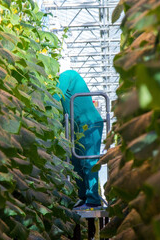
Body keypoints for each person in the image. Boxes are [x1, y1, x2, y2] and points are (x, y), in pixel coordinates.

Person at [53, 70, 103, 210]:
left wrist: (42, 104)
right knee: (76, 161)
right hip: (78, 126)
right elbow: (62, 111)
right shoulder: (66, 80)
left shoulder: (66, 75)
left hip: (90, 123)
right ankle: (83, 197)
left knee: (89, 160)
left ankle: (93, 200)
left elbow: (55, 96)